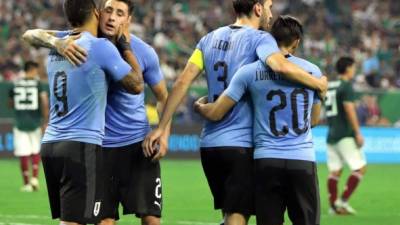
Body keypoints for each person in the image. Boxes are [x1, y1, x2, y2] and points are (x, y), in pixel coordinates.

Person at [143, 1, 327, 224]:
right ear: (258, 9)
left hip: (210, 144)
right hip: (240, 145)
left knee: (230, 214)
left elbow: (182, 82)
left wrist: (162, 128)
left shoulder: (208, 39)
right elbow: (280, 66)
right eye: (268, 5)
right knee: (238, 216)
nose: (270, 12)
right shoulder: (262, 39)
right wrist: (318, 84)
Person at [23, 1, 169, 224]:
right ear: (98, 13)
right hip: (99, 149)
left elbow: (162, 97)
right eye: (108, 10)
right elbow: (30, 34)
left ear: (128, 20)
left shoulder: (145, 52)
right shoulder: (83, 41)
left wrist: (163, 132)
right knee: (103, 220)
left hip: (136, 145)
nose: (111, 17)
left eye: (119, 13)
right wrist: (57, 43)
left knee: (151, 218)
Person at [194, 15, 322, 225]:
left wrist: (199, 106)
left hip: (266, 160)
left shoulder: (249, 72)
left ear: (271, 38)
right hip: (302, 159)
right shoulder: (312, 72)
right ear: (297, 41)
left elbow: (217, 111)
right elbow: (314, 120)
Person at [325, 56, 367, 215]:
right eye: (354, 67)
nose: (355, 70)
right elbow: (349, 109)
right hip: (345, 134)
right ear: (348, 68)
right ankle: (342, 202)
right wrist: (357, 132)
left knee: (335, 171)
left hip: (331, 134)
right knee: (360, 168)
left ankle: (333, 206)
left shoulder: (330, 85)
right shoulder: (346, 86)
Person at [8, 61, 49, 192]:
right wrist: (46, 119)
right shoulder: (38, 84)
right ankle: (35, 179)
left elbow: (10, 103)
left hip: (20, 121)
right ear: (31, 70)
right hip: (35, 121)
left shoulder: (16, 83)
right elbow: (44, 101)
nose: (36, 73)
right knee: (35, 150)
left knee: (23, 153)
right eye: (35, 70)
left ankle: (26, 184)